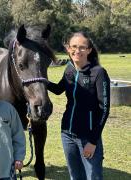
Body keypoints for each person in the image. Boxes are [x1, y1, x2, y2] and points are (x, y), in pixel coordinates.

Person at [47, 32, 110, 180]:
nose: (77, 50)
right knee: (75, 176)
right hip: (67, 134)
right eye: (74, 46)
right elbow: (58, 89)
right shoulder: (69, 68)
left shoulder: (98, 73)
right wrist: (40, 81)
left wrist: (93, 141)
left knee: (92, 176)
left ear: (89, 50)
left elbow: (104, 109)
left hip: (88, 137)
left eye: (82, 47)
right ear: (68, 48)